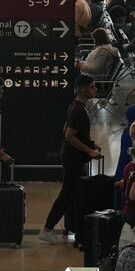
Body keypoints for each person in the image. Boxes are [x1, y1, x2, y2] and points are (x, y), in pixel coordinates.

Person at [40, 74, 102, 244]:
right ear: (83, 89)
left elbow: (66, 130)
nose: (95, 89)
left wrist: (91, 143)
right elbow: (69, 136)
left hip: (71, 156)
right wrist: (89, 151)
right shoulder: (79, 111)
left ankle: (69, 226)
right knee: (67, 194)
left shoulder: (75, 106)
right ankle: (47, 229)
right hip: (74, 158)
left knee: (71, 193)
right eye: (92, 86)